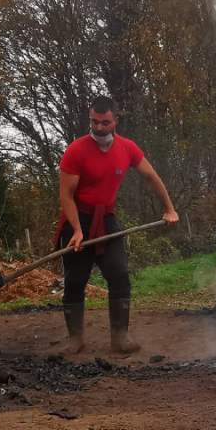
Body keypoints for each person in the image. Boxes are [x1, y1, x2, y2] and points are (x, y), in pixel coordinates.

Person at [56, 95, 178, 355]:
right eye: (94, 122)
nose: (99, 127)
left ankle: (120, 337)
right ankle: (75, 338)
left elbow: (152, 177)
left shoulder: (127, 148)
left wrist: (169, 208)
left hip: (106, 219)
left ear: (115, 121)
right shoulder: (76, 150)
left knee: (119, 274)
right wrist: (77, 230)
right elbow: (66, 195)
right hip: (78, 219)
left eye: (105, 122)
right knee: (76, 279)